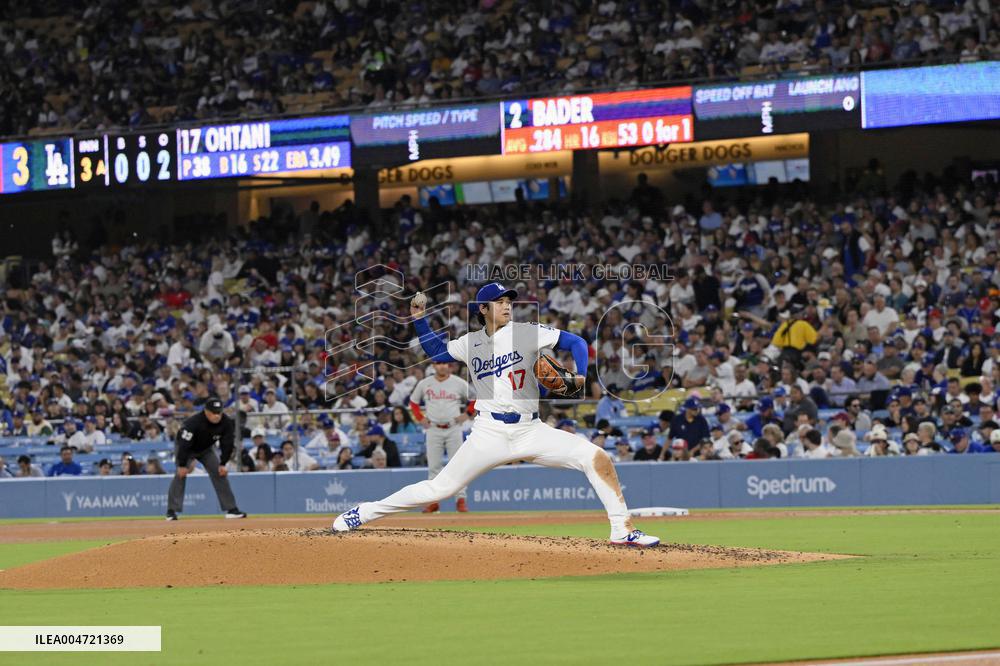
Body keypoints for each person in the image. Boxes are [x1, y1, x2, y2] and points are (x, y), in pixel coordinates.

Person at [332, 283, 660, 547]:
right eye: (500, 301)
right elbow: (435, 351)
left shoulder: (526, 332)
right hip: (488, 432)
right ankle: (363, 513)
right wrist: (419, 317)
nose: (507, 305)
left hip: (532, 430)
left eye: (509, 301)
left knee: (596, 457)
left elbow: (575, 342)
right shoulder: (470, 343)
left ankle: (622, 529)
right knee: (439, 489)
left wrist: (582, 375)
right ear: (483, 309)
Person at [166, 397, 246, 520]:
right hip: (187, 449)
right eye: (213, 413)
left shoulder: (225, 422)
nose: (217, 415)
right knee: (180, 475)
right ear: (206, 411)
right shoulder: (193, 423)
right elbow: (183, 445)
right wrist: (182, 465)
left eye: (219, 412)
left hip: (206, 449)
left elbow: (227, 444)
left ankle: (232, 509)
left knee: (220, 473)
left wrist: (223, 463)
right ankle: (171, 511)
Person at [409, 360, 473, 513]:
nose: (442, 366)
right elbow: (413, 402)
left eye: (445, 364)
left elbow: (475, 399)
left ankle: (461, 500)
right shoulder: (425, 383)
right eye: (438, 363)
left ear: (449, 366)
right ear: (433, 366)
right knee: (434, 467)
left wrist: (468, 414)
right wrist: (420, 418)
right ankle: (433, 502)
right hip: (433, 428)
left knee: (458, 465)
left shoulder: (458, 382)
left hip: (453, 427)